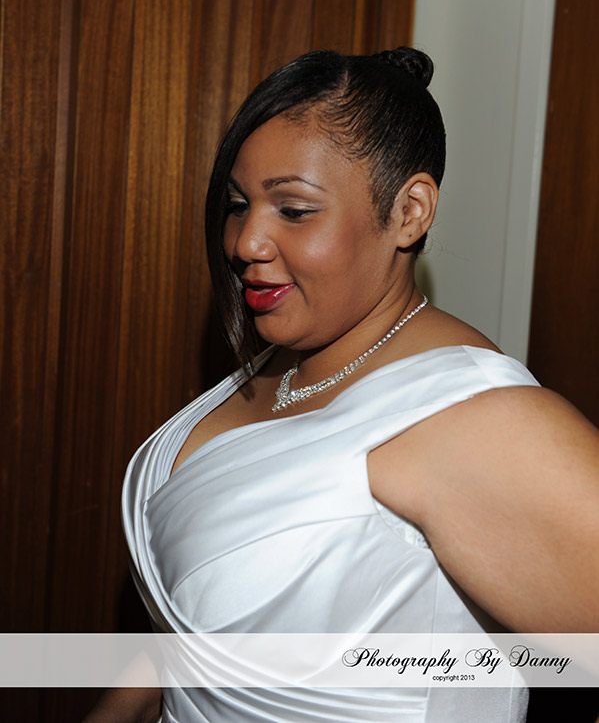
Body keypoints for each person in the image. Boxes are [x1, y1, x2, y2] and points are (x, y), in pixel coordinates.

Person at [106, 47, 597, 722]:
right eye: (238, 205)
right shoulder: (285, 362)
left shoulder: (472, 423)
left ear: (409, 211)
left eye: (293, 209)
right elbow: (198, 628)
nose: (245, 242)